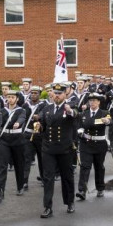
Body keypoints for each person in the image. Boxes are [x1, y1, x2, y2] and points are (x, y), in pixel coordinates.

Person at [35, 83, 79, 218]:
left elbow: (76, 115)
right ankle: (47, 207)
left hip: (64, 148)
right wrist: (39, 126)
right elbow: (43, 126)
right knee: (48, 178)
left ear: (65, 94)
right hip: (48, 148)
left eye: (60, 93)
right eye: (55, 93)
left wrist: (69, 110)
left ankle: (70, 202)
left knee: (67, 177)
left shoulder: (70, 107)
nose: (57, 96)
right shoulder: (47, 108)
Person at [76, 93, 112, 201]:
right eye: (90, 101)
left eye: (94, 100)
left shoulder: (104, 113)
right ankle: (82, 190)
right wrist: (80, 131)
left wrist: (107, 121)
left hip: (99, 144)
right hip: (86, 144)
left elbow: (111, 121)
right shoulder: (84, 114)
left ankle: (100, 188)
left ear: (99, 102)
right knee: (85, 167)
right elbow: (79, 126)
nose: (92, 103)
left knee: (99, 167)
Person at [0, 90, 28, 196]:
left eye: (12, 97)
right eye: (9, 97)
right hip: (4, 139)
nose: (10, 99)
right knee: (2, 165)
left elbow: (22, 118)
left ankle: (20, 187)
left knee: (19, 164)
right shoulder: (2, 111)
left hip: (17, 139)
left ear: (17, 99)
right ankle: (0, 189)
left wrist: (18, 123)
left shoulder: (21, 110)